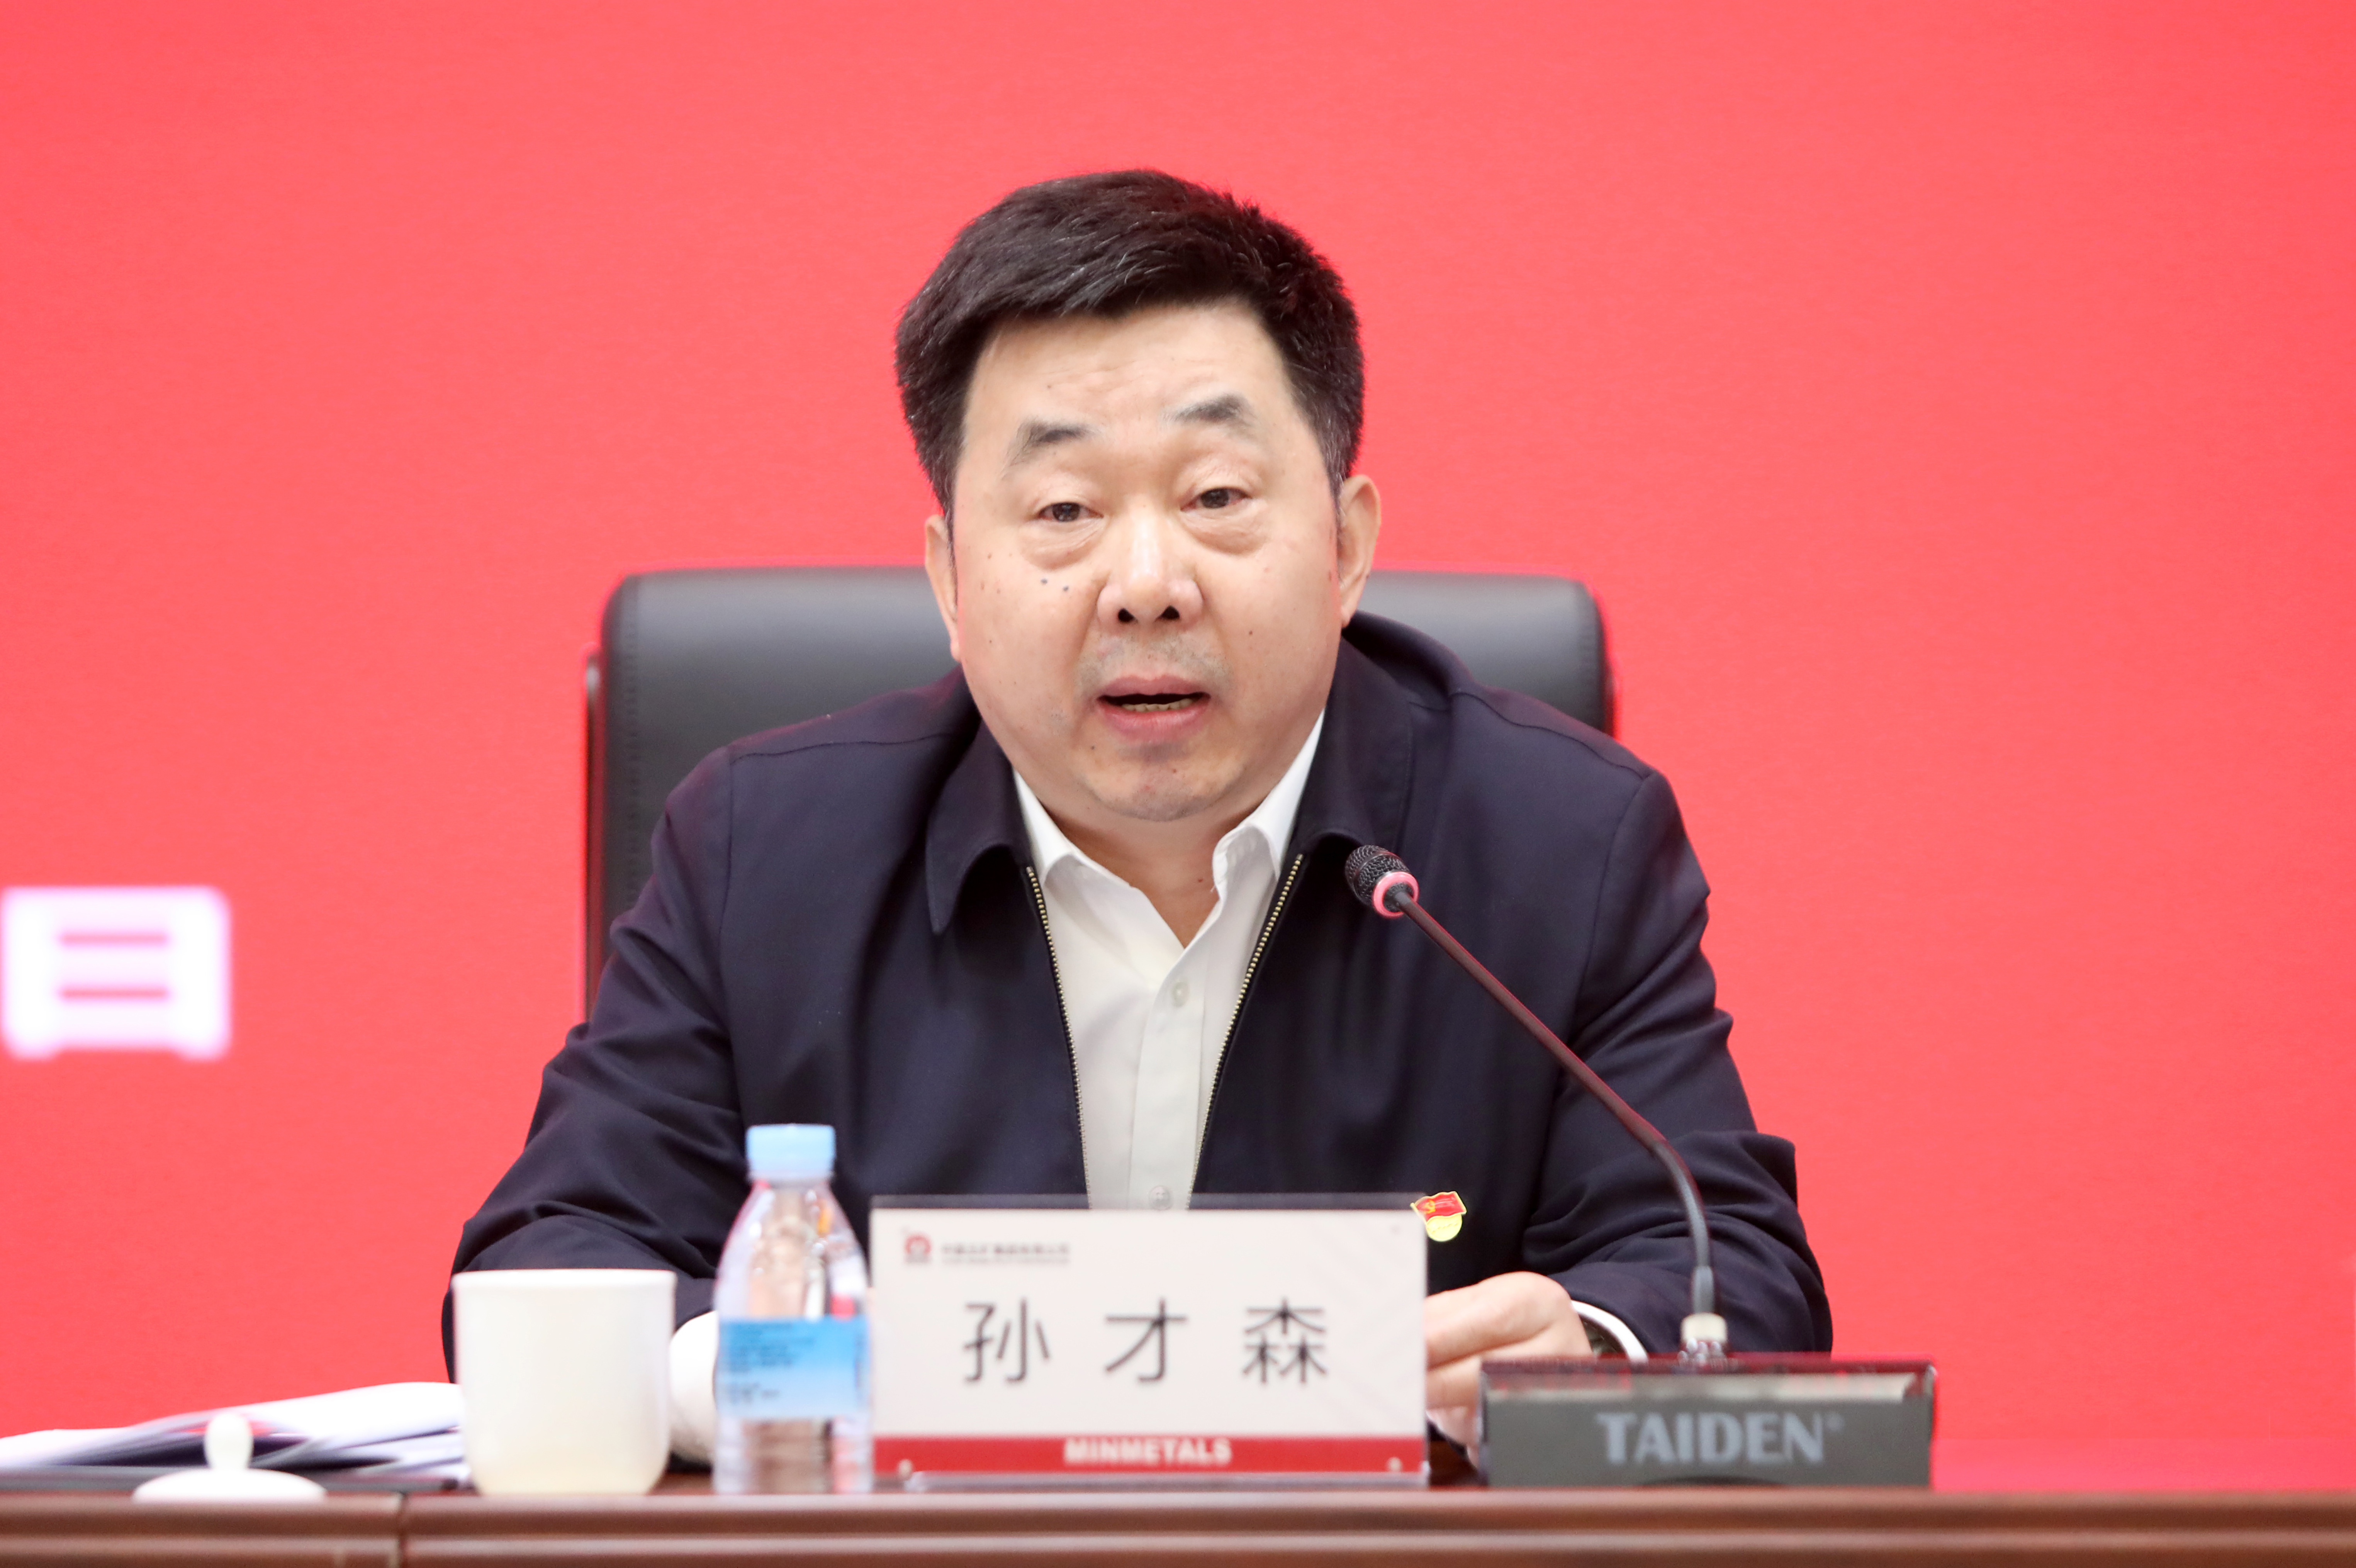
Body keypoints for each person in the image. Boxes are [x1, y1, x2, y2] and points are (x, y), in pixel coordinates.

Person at [450, 170, 1830, 1457]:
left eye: (1217, 496)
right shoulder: (764, 852)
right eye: (1063, 509)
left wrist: (1585, 1353)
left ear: (1346, 545)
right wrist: (822, 1375)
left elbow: (1733, 1271)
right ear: (950, 578)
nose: (1146, 583)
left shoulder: (1557, 843)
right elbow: (545, 1269)